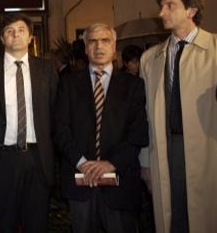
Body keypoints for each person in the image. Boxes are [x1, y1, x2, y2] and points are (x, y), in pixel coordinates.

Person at [139, 0, 217, 233]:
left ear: (191, 10)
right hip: (166, 152)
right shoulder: (150, 58)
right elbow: (144, 115)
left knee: (209, 219)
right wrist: (145, 162)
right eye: (161, 6)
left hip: (212, 154)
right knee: (173, 219)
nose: (161, 12)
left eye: (170, 6)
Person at [54, 23, 148, 233]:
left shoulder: (134, 86)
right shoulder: (68, 83)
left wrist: (110, 163)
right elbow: (60, 130)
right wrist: (83, 163)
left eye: (105, 40)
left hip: (120, 184)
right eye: (92, 41)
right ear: (86, 48)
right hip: (81, 182)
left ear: (114, 46)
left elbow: (138, 133)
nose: (99, 46)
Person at [0, 13, 58, 232]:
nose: (16, 35)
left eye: (21, 30)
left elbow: (54, 112)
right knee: (5, 223)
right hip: (2, 158)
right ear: (2, 39)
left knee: (37, 224)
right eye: (9, 31)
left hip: (38, 157)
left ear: (31, 37)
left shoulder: (47, 70)